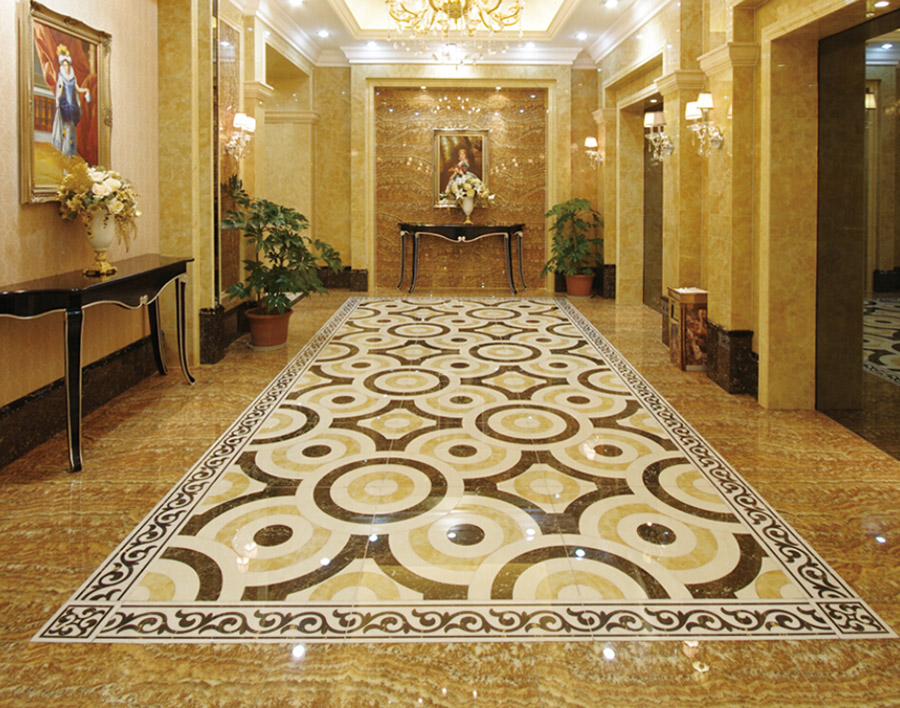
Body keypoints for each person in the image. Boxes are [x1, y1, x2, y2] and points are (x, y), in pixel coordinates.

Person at [51, 44, 91, 158]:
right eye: (64, 65)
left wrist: (86, 90)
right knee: (67, 128)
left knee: (72, 128)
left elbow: (77, 89)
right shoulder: (61, 77)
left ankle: (71, 151)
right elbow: (60, 90)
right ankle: (66, 151)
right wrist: (58, 102)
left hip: (72, 106)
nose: (66, 67)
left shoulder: (73, 78)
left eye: (67, 65)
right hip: (65, 106)